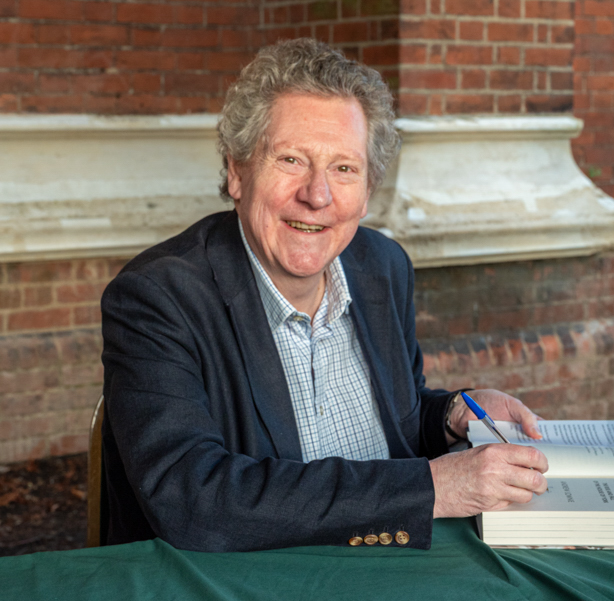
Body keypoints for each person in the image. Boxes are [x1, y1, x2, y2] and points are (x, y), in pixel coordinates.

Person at [100, 38, 548, 553]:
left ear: (367, 190)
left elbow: (395, 423)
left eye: (344, 168)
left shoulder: (382, 267)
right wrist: (430, 488)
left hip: (390, 560)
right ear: (237, 172)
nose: (317, 195)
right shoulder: (158, 298)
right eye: (291, 159)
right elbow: (192, 500)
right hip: (247, 577)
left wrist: (450, 415)